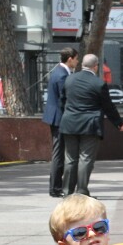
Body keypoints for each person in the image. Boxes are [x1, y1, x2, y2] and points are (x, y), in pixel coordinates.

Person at [59, 54, 123, 196]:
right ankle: (82, 192)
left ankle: (67, 192)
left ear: (82, 64)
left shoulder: (69, 79)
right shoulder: (98, 83)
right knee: (85, 159)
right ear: (95, 66)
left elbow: (62, 101)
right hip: (89, 125)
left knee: (70, 159)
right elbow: (108, 107)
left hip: (69, 123)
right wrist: (119, 124)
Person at [42, 47, 79, 197]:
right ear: (70, 58)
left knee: (59, 152)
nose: (77, 61)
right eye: (76, 58)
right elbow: (64, 98)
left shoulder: (60, 71)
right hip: (59, 118)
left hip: (56, 116)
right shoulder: (62, 75)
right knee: (58, 153)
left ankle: (56, 187)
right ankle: (55, 188)